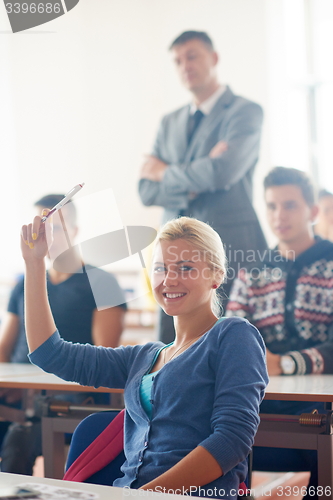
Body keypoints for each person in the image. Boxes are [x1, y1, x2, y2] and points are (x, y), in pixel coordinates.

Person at [21, 214, 268, 499]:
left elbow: (231, 441)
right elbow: (49, 354)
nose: (169, 279)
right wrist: (35, 262)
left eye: (185, 268)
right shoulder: (143, 356)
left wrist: (143, 496)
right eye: (160, 268)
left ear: (216, 275)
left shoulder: (233, 335)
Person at [138, 30, 267, 344]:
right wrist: (196, 178)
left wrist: (164, 171)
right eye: (178, 60)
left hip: (230, 247)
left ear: (214, 58)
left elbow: (222, 172)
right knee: (172, 350)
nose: (185, 65)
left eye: (192, 56)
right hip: (171, 253)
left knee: (234, 348)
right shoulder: (169, 121)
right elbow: (146, 190)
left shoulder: (244, 111)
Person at [0, 194, 127, 474]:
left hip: (67, 391)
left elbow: (103, 357)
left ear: (76, 232)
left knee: (19, 439)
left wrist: (36, 389)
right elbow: (4, 347)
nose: (44, 235)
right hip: (17, 389)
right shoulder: (24, 285)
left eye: (54, 228)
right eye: (39, 228)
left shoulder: (103, 282)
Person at [226, 167, 333, 498]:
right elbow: (231, 333)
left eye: (290, 205)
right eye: (271, 206)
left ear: (313, 211)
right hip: (260, 402)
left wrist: (286, 363)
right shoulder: (252, 271)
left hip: (321, 408)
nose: (278, 215)